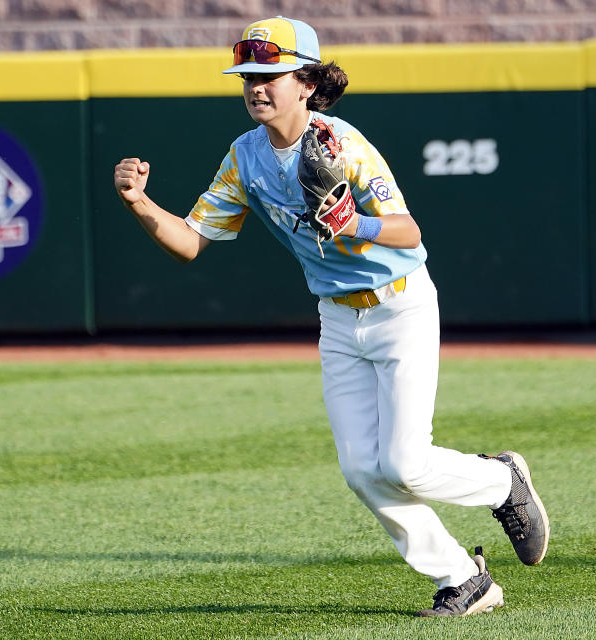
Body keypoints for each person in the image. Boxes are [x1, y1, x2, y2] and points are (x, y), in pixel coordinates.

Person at [113, 16, 549, 618]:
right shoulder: (244, 156)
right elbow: (188, 242)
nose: (256, 87)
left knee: (404, 463)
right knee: (361, 471)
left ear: (306, 83)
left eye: (271, 74)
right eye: (248, 76)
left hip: (400, 305)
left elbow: (409, 231)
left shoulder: (340, 143)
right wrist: (139, 203)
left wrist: (356, 224)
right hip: (338, 320)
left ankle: (503, 482)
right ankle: (463, 579)